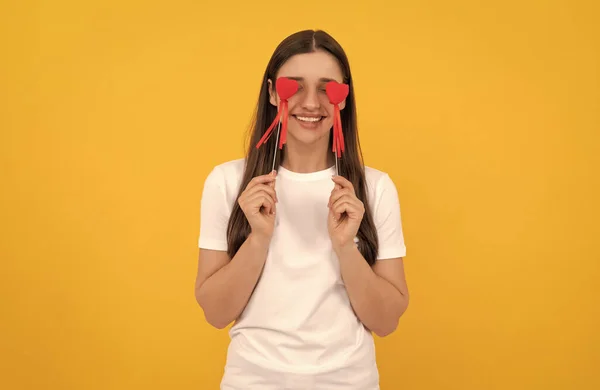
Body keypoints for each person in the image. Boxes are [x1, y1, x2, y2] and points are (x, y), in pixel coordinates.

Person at [195, 29, 409, 390]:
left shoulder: (375, 189)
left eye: (329, 89)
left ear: (344, 98)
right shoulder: (227, 183)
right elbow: (216, 314)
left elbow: (386, 322)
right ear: (271, 92)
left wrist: (346, 247)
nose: (311, 103)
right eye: (293, 86)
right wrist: (259, 239)